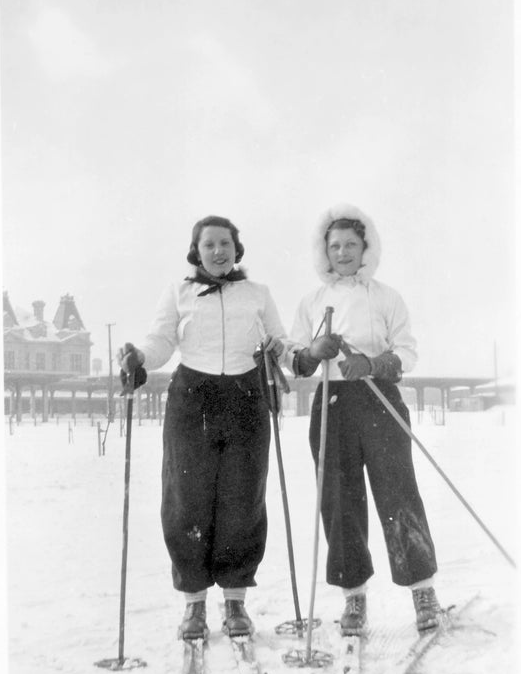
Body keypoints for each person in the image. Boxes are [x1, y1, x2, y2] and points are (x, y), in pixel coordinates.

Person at [119, 215, 286, 641]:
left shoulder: (258, 294)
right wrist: (139, 356)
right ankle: (194, 605)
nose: (218, 251)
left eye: (225, 243)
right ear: (196, 251)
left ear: (237, 249)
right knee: (186, 499)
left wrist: (283, 350)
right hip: (193, 398)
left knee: (242, 498)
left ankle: (235, 602)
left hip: (246, 398)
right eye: (208, 244)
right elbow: (160, 342)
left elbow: (281, 340)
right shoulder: (179, 292)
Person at [287, 203, 440, 636]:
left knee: (398, 493)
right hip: (332, 405)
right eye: (335, 245)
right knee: (339, 501)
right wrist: (314, 353)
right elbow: (294, 358)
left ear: (365, 246)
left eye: (351, 244)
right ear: (325, 251)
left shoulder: (385, 296)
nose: (343, 252)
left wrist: (371, 364)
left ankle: (422, 590)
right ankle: (353, 597)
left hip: (379, 402)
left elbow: (407, 351)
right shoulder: (313, 301)